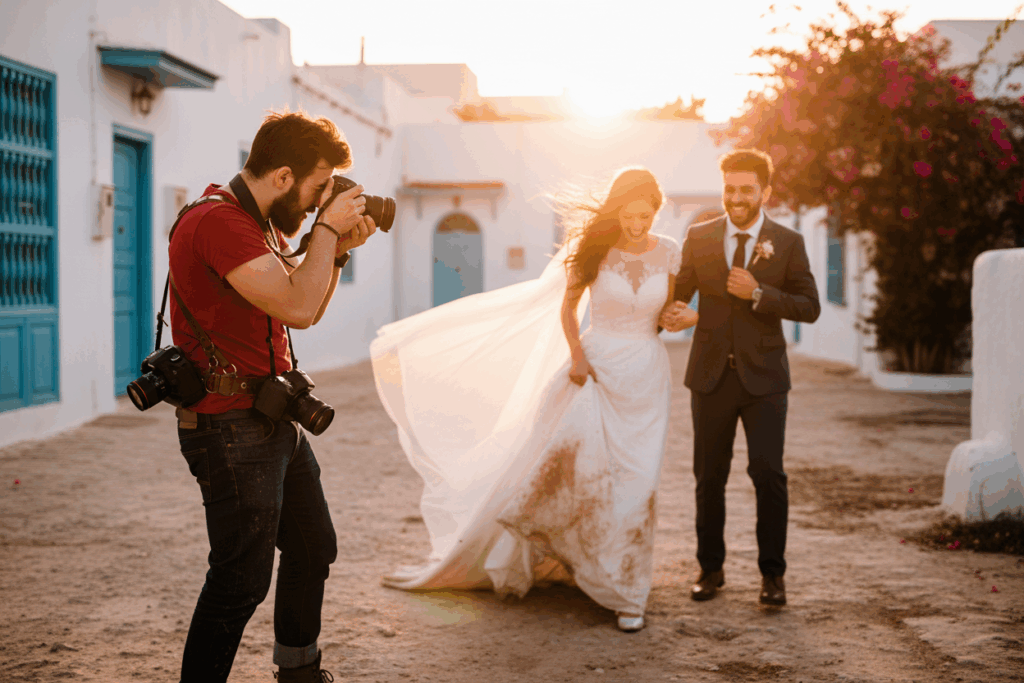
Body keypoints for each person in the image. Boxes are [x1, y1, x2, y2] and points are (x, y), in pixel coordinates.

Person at [370, 168, 696, 632]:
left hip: (645, 376)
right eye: (630, 214)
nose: (637, 224)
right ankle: (592, 572)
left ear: (656, 212)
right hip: (593, 372)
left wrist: (686, 317)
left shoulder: (670, 252)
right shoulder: (596, 247)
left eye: (646, 216)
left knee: (638, 482)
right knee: (574, 472)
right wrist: (577, 356)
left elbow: (671, 311)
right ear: (618, 209)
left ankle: (627, 587)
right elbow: (568, 308)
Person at [169, 111, 377, 682]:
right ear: (284, 176)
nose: (318, 203)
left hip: (272, 414)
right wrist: (326, 232)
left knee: (313, 547)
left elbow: (305, 306)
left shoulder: (259, 227)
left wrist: (334, 249)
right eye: (318, 186)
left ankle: (299, 674)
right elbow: (298, 307)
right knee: (240, 579)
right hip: (228, 426)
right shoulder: (218, 222)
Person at [660, 149, 820, 607]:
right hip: (709, 377)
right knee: (708, 478)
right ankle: (710, 569)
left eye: (746, 190)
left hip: (765, 380)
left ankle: (773, 575)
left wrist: (760, 293)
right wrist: (672, 312)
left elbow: (809, 307)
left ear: (765, 192)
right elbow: (678, 294)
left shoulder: (787, 242)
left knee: (768, 476)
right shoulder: (699, 236)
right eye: (729, 189)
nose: (736, 198)